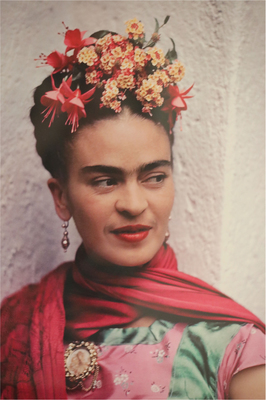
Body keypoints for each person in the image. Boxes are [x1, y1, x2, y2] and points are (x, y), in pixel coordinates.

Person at [1, 17, 265, 400]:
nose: (135, 204)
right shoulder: (14, 329)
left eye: (154, 177)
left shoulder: (233, 349)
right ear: (61, 197)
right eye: (105, 181)